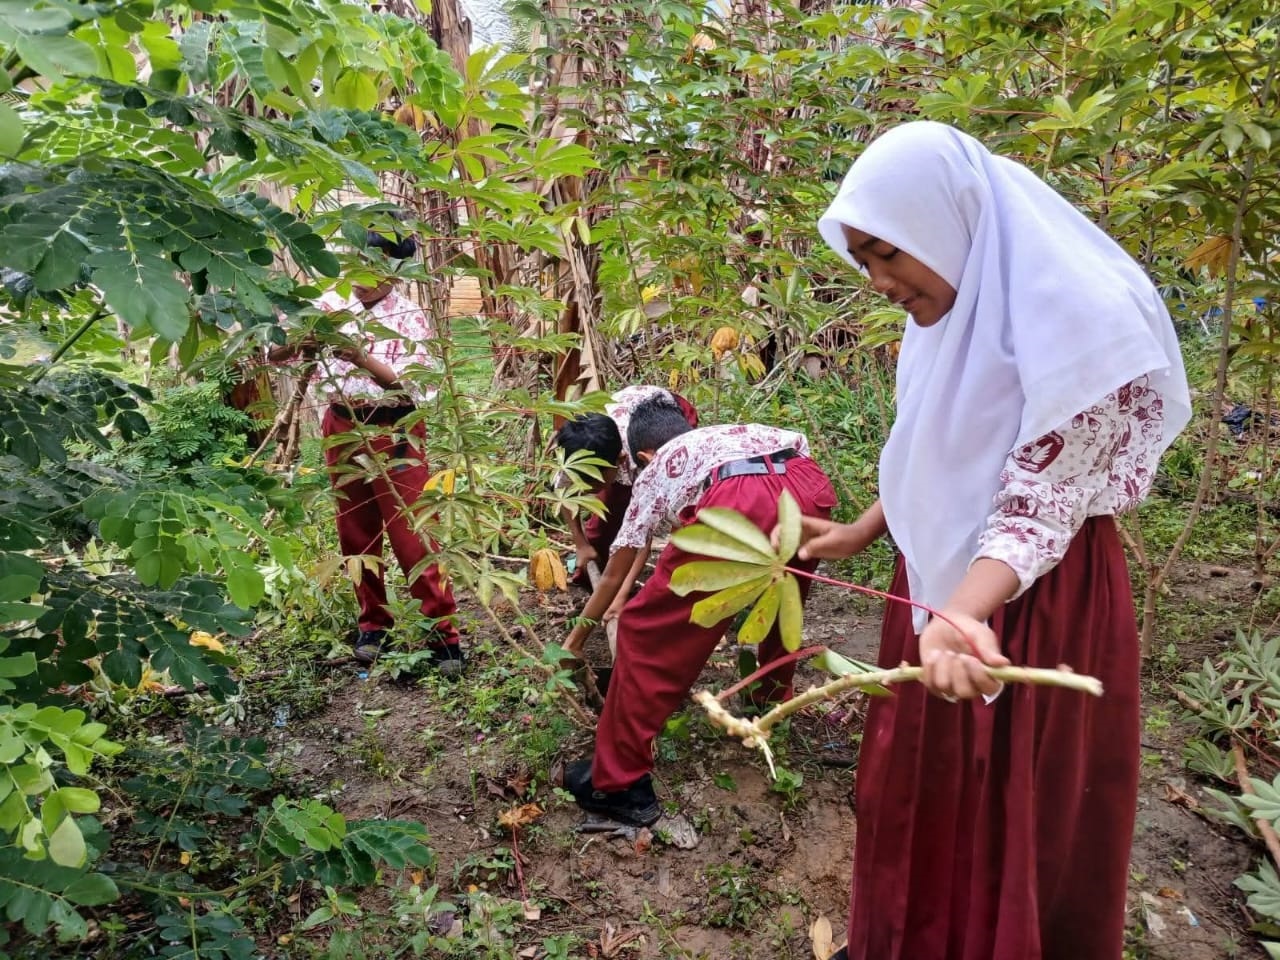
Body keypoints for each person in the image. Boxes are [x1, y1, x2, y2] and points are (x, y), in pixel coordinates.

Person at [805, 121, 1191, 960]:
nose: (879, 282)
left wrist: (963, 613)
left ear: (948, 218)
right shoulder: (948, 313)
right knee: (922, 786)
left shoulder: (1080, 316)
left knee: (1010, 803)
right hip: (942, 596)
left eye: (888, 253)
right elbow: (941, 449)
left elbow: (1041, 505)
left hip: (1029, 601)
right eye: (864, 262)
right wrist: (863, 530)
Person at [562, 395, 836, 825]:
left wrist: (574, 642)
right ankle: (770, 702)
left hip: (739, 501)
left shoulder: (657, 468)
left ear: (643, 457)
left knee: (643, 631)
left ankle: (619, 784)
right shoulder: (723, 435)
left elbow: (613, 575)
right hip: (805, 485)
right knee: (783, 598)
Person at [269, 229, 463, 674]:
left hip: (396, 428)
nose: (360, 280)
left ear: (396, 271)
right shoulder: (328, 304)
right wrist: (303, 340)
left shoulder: (411, 315)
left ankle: (443, 633)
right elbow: (275, 353)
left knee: (414, 531)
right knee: (356, 531)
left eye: (373, 271)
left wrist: (358, 357)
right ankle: (374, 626)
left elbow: (413, 388)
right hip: (342, 425)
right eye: (355, 266)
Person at [553, 386, 698, 588]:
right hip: (623, 420)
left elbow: (643, 536)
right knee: (601, 530)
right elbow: (563, 494)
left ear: (619, 461)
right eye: (580, 482)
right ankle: (589, 577)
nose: (584, 490)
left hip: (670, 415)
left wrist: (623, 590)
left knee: (678, 522)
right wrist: (581, 543)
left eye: (593, 483)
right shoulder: (577, 451)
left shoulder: (648, 459)